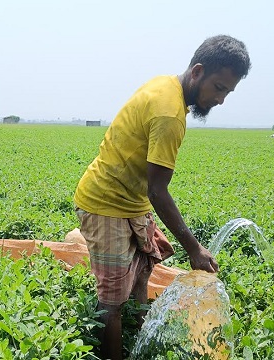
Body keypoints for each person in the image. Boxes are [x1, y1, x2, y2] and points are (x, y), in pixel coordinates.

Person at [73, 35, 251, 360]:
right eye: (219, 88)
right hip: (104, 204)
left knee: (142, 275)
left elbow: (150, 188)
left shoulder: (166, 85)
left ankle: (143, 337)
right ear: (197, 72)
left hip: (132, 202)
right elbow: (158, 191)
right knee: (111, 302)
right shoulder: (169, 114)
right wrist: (194, 248)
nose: (221, 99)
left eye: (228, 91)